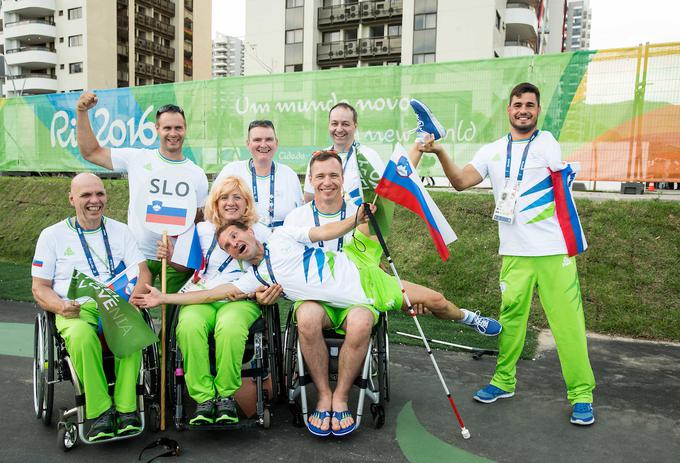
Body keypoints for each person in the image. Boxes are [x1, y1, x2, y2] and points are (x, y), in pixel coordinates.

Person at [135, 204, 502, 437]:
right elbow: (211, 293)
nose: (233, 244)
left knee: (435, 300)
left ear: (249, 231)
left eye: (235, 235)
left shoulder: (281, 238)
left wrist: (352, 221)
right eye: (228, 246)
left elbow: (322, 232)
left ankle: (470, 318)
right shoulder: (257, 278)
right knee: (321, 317)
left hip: (367, 283)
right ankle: (328, 400)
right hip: (340, 309)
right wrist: (164, 297)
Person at [423, 82, 596, 425]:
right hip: (515, 254)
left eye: (530, 105)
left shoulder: (545, 142)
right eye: (518, 104)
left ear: (537, 110)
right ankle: (504, 381)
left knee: (568, 325)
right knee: (512, 321)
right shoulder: (491, 151)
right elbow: (460, 182)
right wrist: (440, 152)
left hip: (553, 253)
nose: (523, 110)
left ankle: (582, 395)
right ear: (509, 109)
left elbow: (558, 172)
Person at [31, 173, 152, 441]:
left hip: (114, 302)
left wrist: (137, 296)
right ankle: (99, 412)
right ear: (72, 199)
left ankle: (127, 408)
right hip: (75, 306)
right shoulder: (52, 235)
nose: (94, 200)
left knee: (131, 329)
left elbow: (142, 272)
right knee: (82, 337)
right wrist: (60, 306)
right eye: (86, 195)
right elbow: (39, 287)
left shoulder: (121, 230)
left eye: (99, 194)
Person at [152, 176, 270, 425]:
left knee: (229, 327)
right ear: (215, 203)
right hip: (201, 295)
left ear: (246, 202)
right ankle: (204, 398)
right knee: (189, 326)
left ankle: (226, 396)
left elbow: (268, 269)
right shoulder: (202, 230)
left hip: (240, 298)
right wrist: (169, 255)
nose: (231, 202)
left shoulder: (260, 232)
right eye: (224, 197)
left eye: (237, 197)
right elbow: (185, 265)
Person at [76, 94, 209, 294]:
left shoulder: (197, 174)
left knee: (173, 321)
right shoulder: (137, 158)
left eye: (178, 128)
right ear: (157, 129)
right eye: (167, 128)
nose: (173, 133)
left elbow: (199, 220)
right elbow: (91, 152)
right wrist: (82, 112)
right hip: (137, 255)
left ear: (185, 129)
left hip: (175, 260)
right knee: (130, 314)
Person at [213, 120, 302, 229]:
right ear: (248, 144)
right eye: (257, 140)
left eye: (269, 139)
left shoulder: (289, 175)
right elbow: (214, 210)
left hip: (282, 241)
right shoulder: (231, 171)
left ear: (276, 143)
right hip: (242, 242)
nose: (263, 145)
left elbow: (299, 216)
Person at [303, 103, 385, 206]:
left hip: (360, 220)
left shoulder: (369, 156)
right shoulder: (318, 158)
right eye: (334, 123)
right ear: (329, 125)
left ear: (355, 126)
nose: (339, 129)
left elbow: (383, 197)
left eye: (345, 124)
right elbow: (309, 197)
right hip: (327, 221)